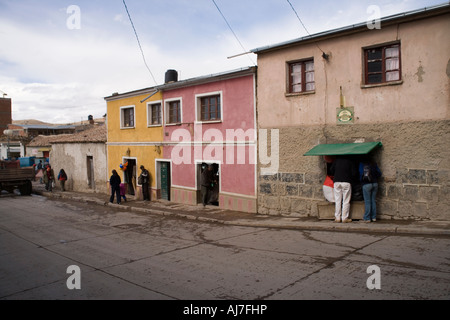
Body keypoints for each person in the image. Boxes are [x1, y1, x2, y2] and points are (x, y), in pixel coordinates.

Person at [330, 156, 357, 223]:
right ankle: (344, 218)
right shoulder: (350, 161)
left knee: (338, 200)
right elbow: (354, 173)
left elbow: (331, 170)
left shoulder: (336, 160)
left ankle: (337, 217)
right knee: (346, 200)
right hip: (346, 182)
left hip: (337, 182)